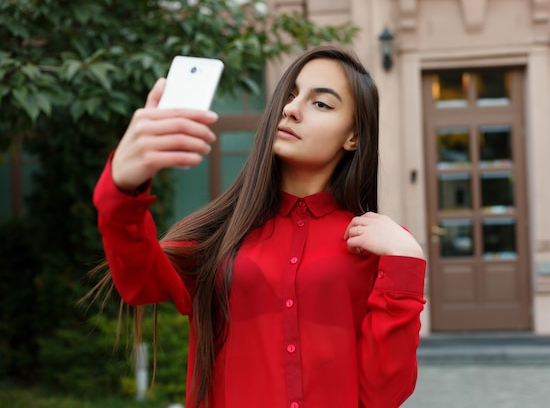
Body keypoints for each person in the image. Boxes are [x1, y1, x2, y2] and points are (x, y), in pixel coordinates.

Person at [92, 45, 427, 408]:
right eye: (290, 95)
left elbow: (383, 395)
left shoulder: (379, 245)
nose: (291, 109)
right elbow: (139, 282)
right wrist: (122, 189)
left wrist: (407, 260)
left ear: (354, 137)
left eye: (321, 104)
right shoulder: (220, 234)